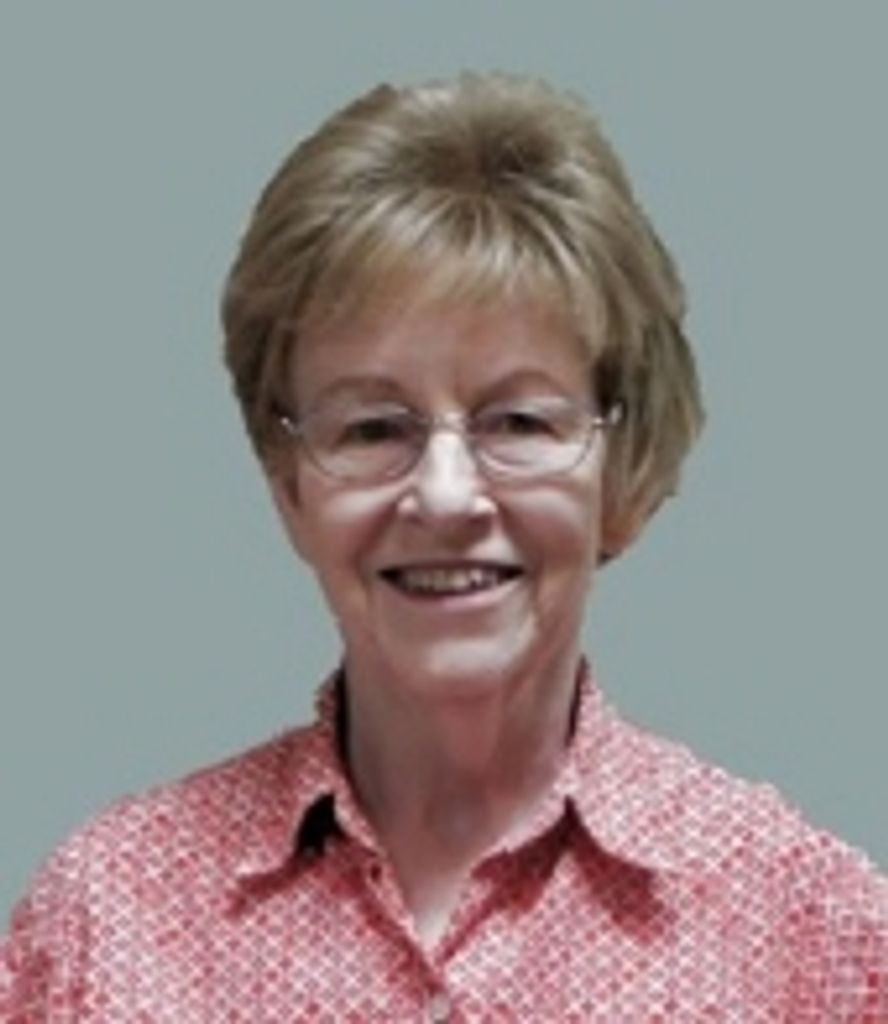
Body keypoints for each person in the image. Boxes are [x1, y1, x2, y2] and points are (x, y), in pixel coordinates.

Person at [2, 71, 885, 1021]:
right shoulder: (106, 924)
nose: (447, 496)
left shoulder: (805, 935)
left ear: (621, 466)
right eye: (373, 428)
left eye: (519, 421)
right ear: (288, 485)